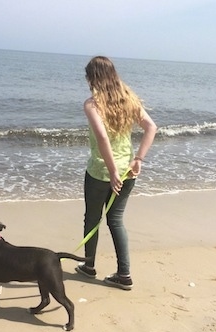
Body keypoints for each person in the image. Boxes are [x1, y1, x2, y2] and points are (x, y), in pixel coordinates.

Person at [75, 56, 157, 290]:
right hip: (128, 172)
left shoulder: (92, 104)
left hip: (101, 171)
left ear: (92, 77)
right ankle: (124, 274)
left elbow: (102, 137)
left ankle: (89, 266)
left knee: (92, 220)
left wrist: (111, 172)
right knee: (116, 221)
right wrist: (138, 159)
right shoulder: (128, 100)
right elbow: (151, 127)